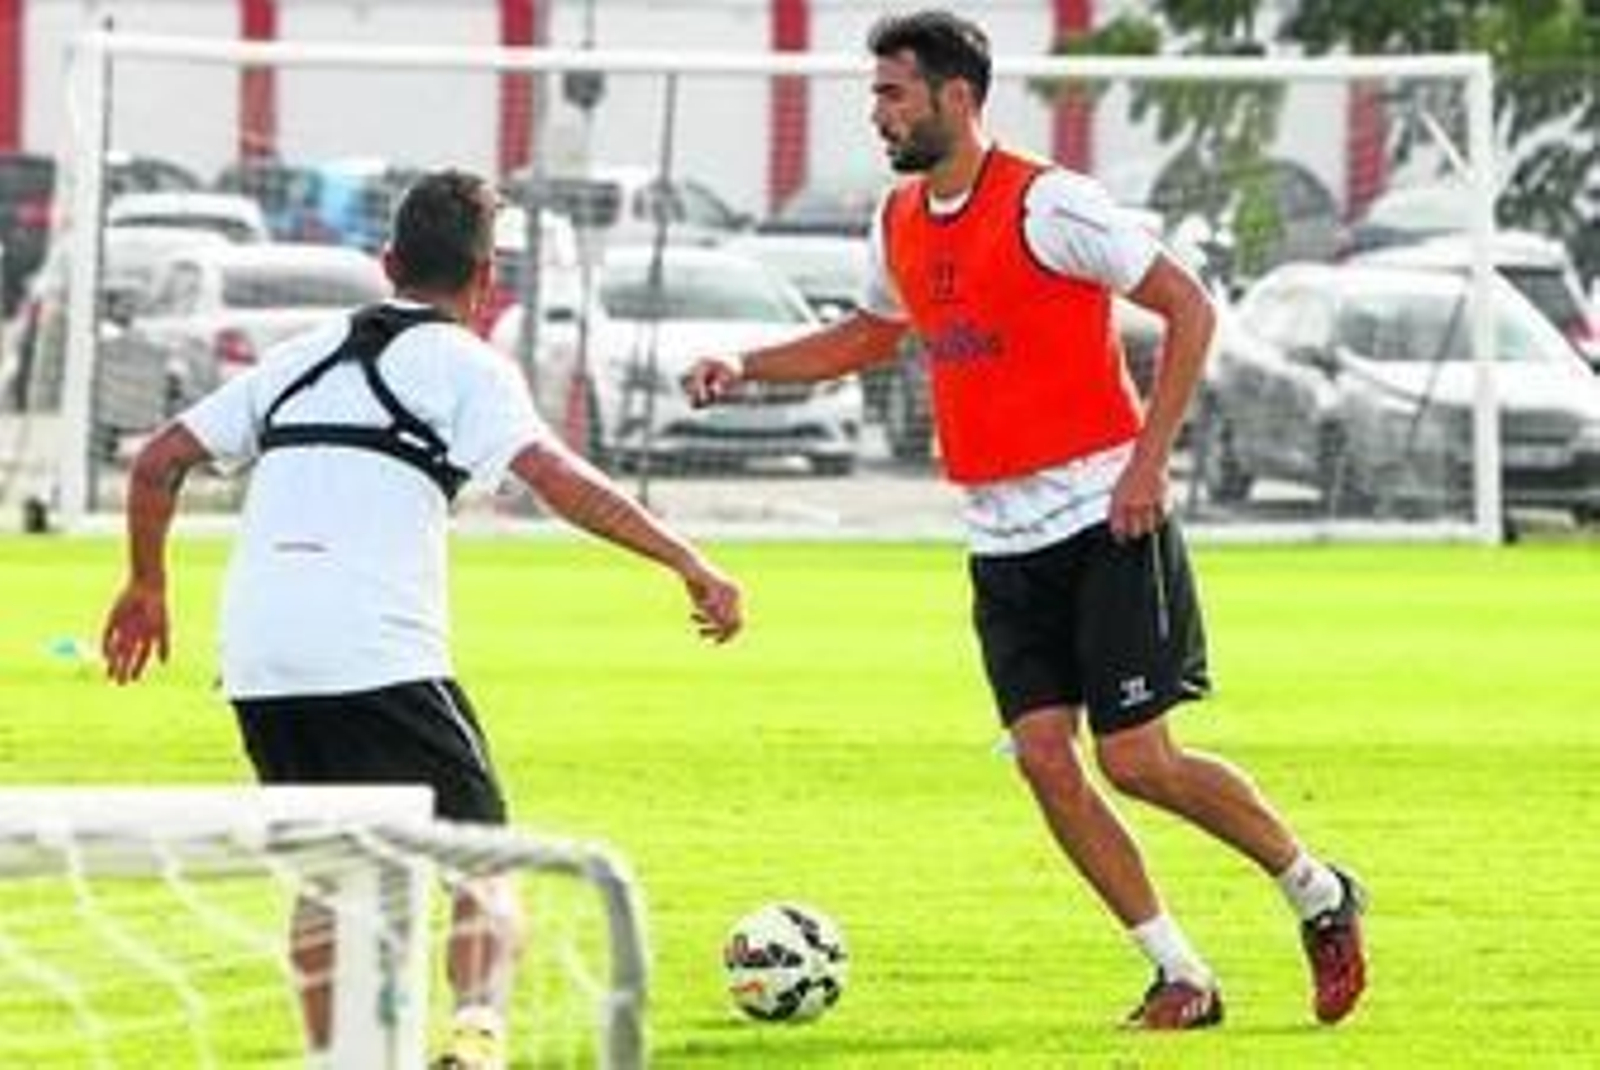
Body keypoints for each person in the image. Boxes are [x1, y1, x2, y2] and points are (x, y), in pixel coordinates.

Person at [683, 10, 1365, 1030]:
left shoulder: (1051, 204)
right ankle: (1180, 973)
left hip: (1104, 516)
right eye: (875, 93)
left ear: (956, 97)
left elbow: (1189, 307)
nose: (877, 113)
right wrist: (745, 364)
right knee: (1047, 760)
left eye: (892, 93)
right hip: (998, 535)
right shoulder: (898, 219)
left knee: (1136, 759)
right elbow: (874, 332)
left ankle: (1317, 889)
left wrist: (1148, 460)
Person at [102, 169, 743, 1070]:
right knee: (484, 860)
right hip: (375, 653)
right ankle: (476, 1039)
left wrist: (147, 587)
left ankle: (344, 1059)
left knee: (333, 873)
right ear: (486, 284)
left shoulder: (300, 353)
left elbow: (160, 460)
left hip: (261, 657)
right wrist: (688, 560)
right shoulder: (468, 364)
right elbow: (556, 478)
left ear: (388, 261)